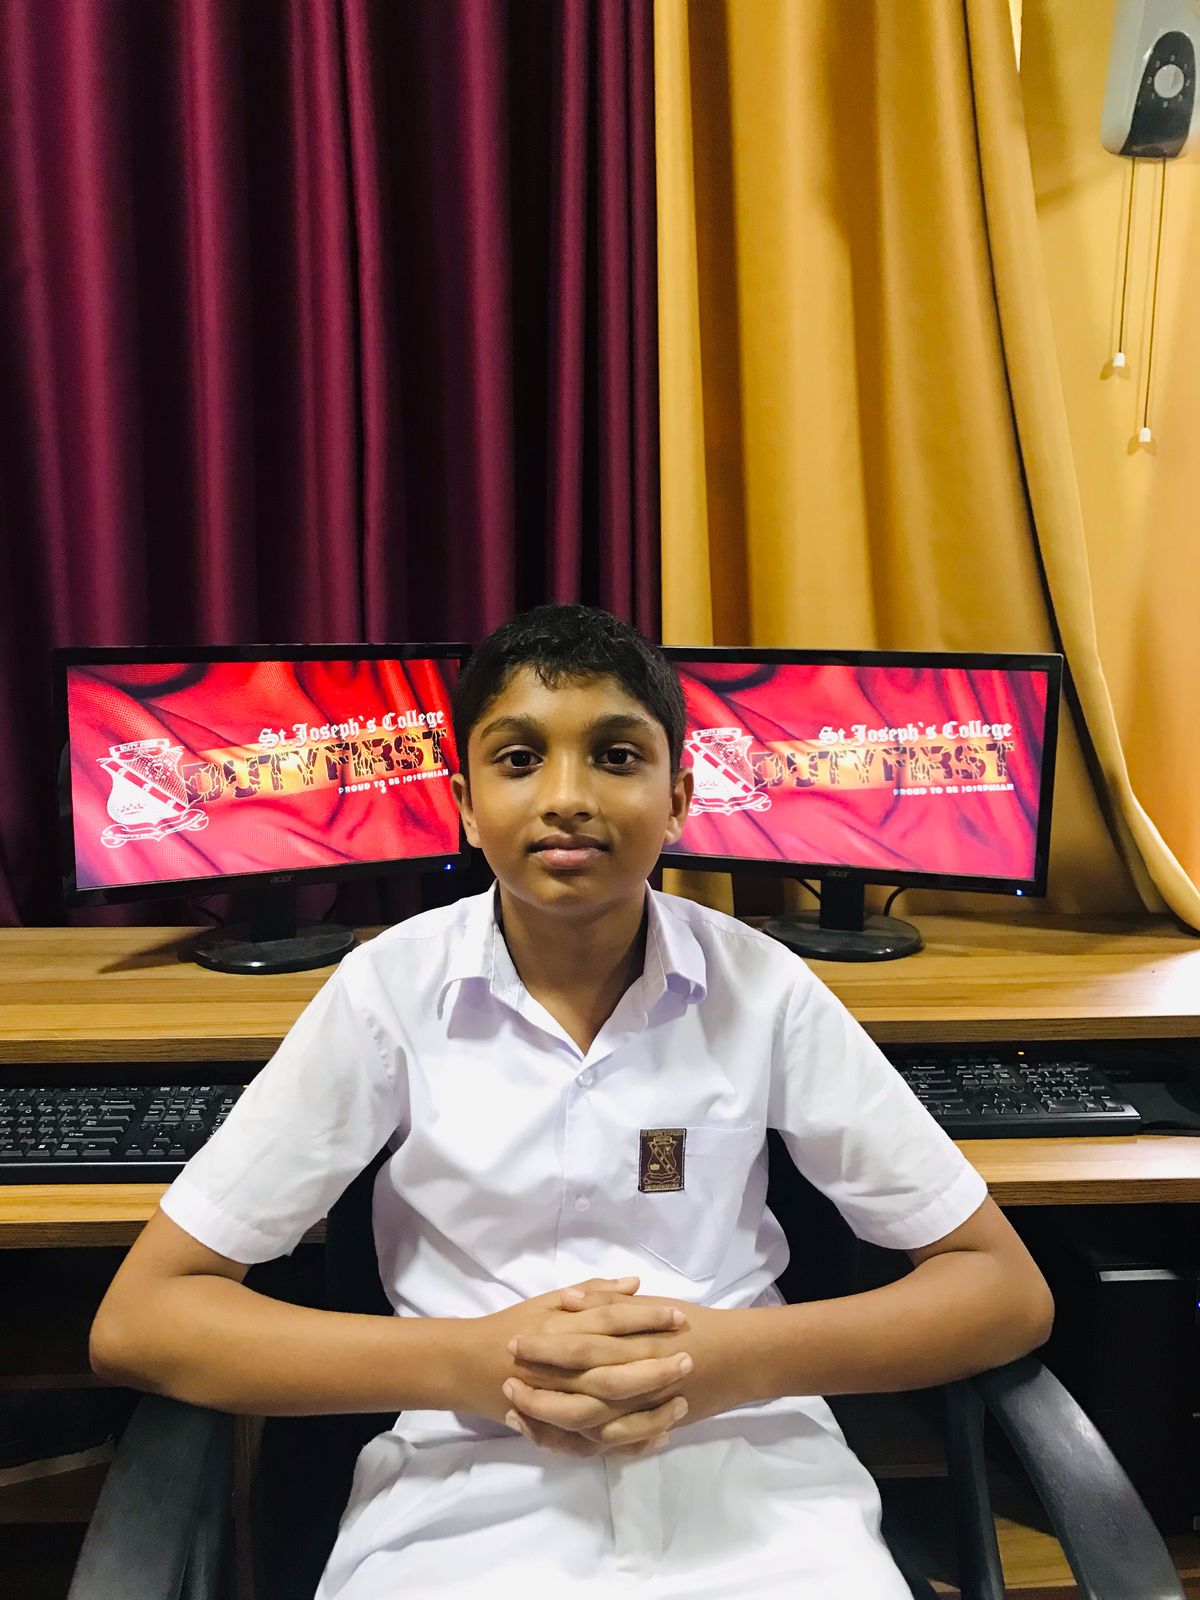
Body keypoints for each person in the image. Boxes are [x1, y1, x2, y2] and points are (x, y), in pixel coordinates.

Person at [90, 604, 1054, 1598]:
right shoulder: (388, 993)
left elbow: (1003, 1290)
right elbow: (144, 1319)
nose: (566, 797)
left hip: (757, 1488)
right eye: (518, 760)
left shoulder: (764, 989)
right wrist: (480, 1363)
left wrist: (725, 1358)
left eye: (615, 756)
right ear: (465, 804)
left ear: (678, 798)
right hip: (462, 1502)